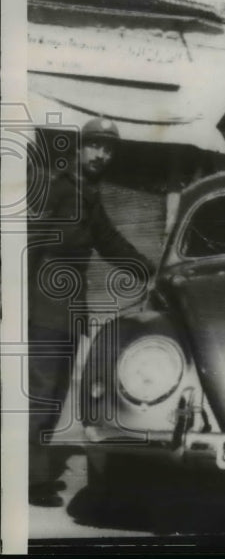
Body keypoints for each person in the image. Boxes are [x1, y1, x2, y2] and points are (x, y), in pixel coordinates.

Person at [27, 117, 155, 506]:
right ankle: (28, 480)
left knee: (56, 390)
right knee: (42, 392)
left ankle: (35, 474)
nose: (102, 155)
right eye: (95, 146)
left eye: (109, 149)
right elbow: (28, 243)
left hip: (67, 309)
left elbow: (108, 239)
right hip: (41, 306)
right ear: (79, 147)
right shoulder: (55, 188)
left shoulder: (88, 192)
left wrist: (148, 269)